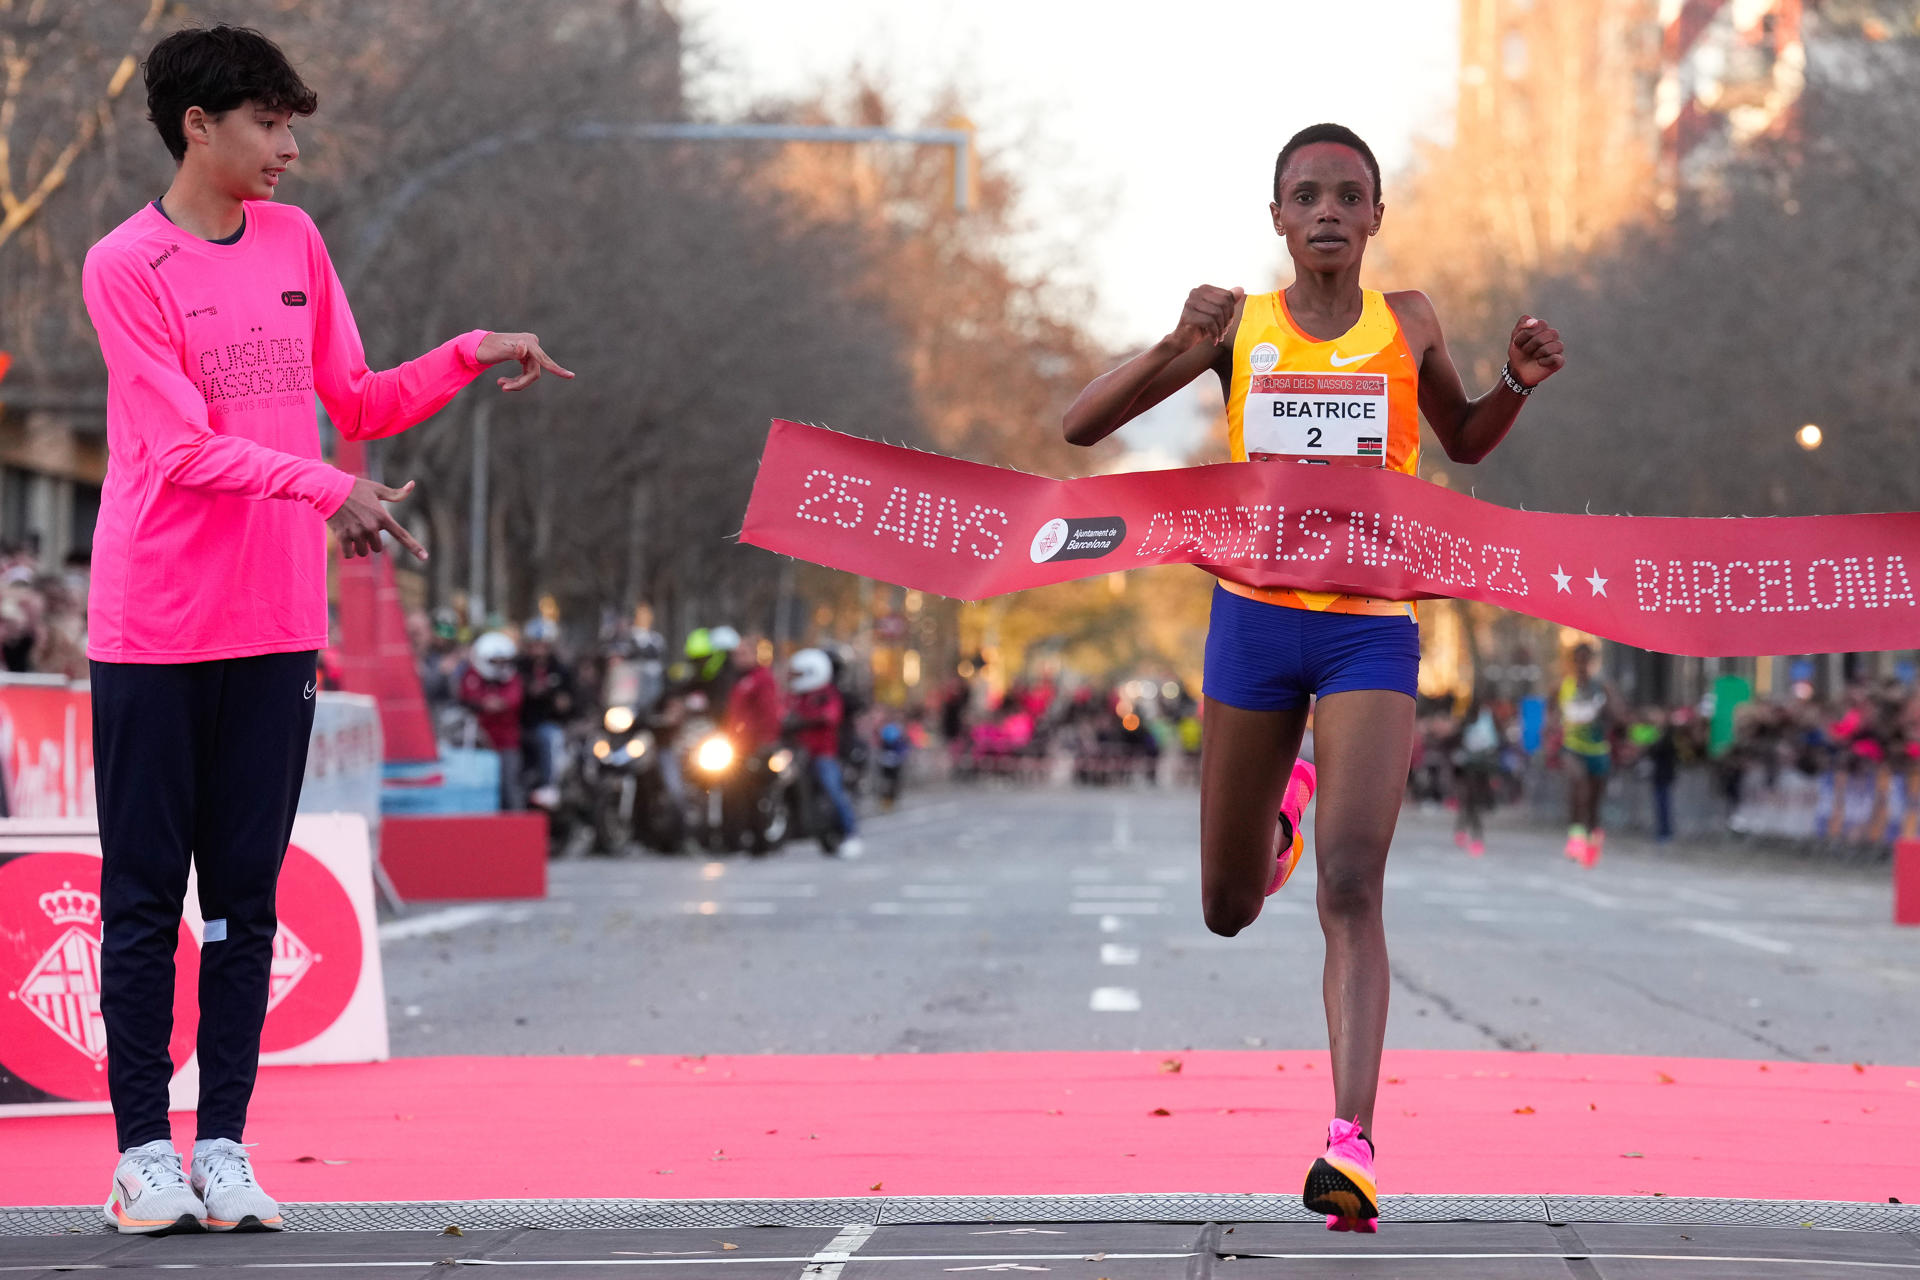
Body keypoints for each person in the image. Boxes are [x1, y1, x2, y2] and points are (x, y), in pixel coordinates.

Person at [83, 24, 570, 1234]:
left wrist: (470, 349)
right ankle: (142, 1149)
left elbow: (351, 401)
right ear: (197, 126)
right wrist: (323, 489)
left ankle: (227, 1146)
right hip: (152, 625)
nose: (290, 149)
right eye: (267, 124)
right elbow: (180, 445)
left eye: (292, 125)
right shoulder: (124, 264)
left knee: (248, 897)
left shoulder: (297, 241)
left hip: (274, 625)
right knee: (147, 897)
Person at [1059, 122, 1563, 1231]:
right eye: (1307, 194)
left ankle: (1351, 1143)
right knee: (1230, 904)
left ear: (1377, 217)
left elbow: (1464, 441)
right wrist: (1169, 346)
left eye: (1350, 194)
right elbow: (1080, 424)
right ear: (1278, 219)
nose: (1329, 209)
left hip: (1369, 631)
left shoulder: (1410, 320)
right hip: (1251, 624)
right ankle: (1279, 819)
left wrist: (1511, 386)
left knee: (1352, 884)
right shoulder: (1236, 324)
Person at [787, 647, 863, 858]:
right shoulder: (797, 697)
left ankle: (851, 834)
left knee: (834, 791)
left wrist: (805, 722)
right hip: (798, 753)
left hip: (823, 754)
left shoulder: (826, 694)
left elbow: (831, 715)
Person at [1559, 643, 1616, 866]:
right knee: (1578, 788)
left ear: (1591, 661)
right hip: (1572, 747)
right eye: (1577, 659)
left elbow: (1619, 714)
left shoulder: (1603, 687)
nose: (1581, 664)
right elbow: (1553, 713)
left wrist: (1607, 711)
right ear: (1573, 662)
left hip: (1598, 749)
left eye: (1585, 659)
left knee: (1593, 803)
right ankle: (1576, 838)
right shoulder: (1564, 686)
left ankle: (1593, 839)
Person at [517, 617, 579, 810]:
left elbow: (571, 698)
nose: (538, 651)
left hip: (549, 723)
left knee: (550, 736)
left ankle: (549, 786)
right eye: (534, 646)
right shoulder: (520, 668)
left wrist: (563, 703)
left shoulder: (560, 670)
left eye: (543, 646)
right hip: (521, 723)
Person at [461, 631, 527, 811]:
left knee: (509, 785)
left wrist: (490, 702)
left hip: (506, 743)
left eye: (502, 661)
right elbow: (470, 697)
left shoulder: (512, 678)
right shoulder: (472, 675)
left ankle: (516, 825)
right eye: (494, 662)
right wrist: (485, 703)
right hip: (478, 743)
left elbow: (511, 700)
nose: (499, 666)